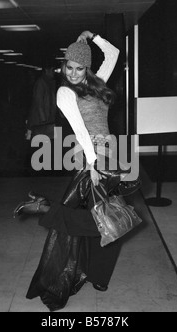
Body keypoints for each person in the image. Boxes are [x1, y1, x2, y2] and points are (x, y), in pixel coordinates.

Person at [24, 30, 133, 312]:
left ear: (87, 68)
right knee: (99, 220)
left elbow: (113, 54)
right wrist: (93, 164)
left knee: (112, 219)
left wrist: (93, 36)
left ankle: (98, 275)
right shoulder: (64, 91)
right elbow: (80, 129)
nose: (72, 73)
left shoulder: (97, 84)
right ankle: (46, 207)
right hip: (94, 158)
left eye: (78, 68)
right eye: (68, 67)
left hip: (114, 154)